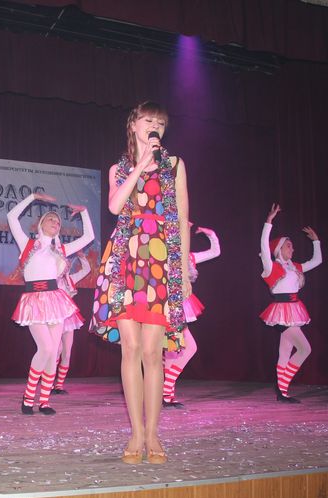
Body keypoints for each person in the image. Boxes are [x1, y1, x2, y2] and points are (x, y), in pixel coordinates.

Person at [90, 101, 191, 464]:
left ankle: (153, 433)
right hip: (125, 261)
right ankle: (135, 432)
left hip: (160, 261)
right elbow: (116, 206)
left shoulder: (174, 165)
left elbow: (182, 220)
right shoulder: (119, 169)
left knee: (152, 352)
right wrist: (140, 166)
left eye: (160, 124)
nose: (155, 128)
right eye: (149, 121)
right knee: (130, 349)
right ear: (134, 125)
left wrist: (183, 274)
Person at [8, 193, 94, 415]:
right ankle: (28, 397)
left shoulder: (61, 251)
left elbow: (88, 236)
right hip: (33, 300)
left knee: (54, 350)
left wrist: (84, 213)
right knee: (45, 348)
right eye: (51, 219)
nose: (55, 223)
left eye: (58, 222)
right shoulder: (27, 244)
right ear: (41, 223)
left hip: (55, 300)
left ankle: (44, 400)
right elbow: (11, 217)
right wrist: (32, 197)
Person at [259, 203, 322, 403]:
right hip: (280, 312)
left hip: (294, 311)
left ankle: (282, 392)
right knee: (304, 349)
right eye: (288, 245)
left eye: (292, 246)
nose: (292, 248)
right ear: (279, 249)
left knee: (285, 351)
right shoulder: (271, 267)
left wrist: (316, 241)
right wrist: (268, 222)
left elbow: (317, 261)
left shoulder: (294, 267)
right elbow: (263, 246)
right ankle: (282, 387)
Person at [163, 224, 220, 408]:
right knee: (185, 348)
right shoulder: (164, 255)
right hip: (168, 307)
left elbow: (215, 252)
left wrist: (211, 234)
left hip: (180, 307)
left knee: (173, 352)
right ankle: (166, 391)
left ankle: (166, 395)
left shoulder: (190, 258)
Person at [52, 251, 91, 394]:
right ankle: (49, 384)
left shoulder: (70, 279)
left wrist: (82, 257)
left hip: (69, 318)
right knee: (56, 351)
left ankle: (59, 385)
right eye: (64, 263)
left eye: (68, 263)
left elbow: (86, 270)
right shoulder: (51, 280)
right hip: (55, 317)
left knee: (67, 353)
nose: (67, 266)